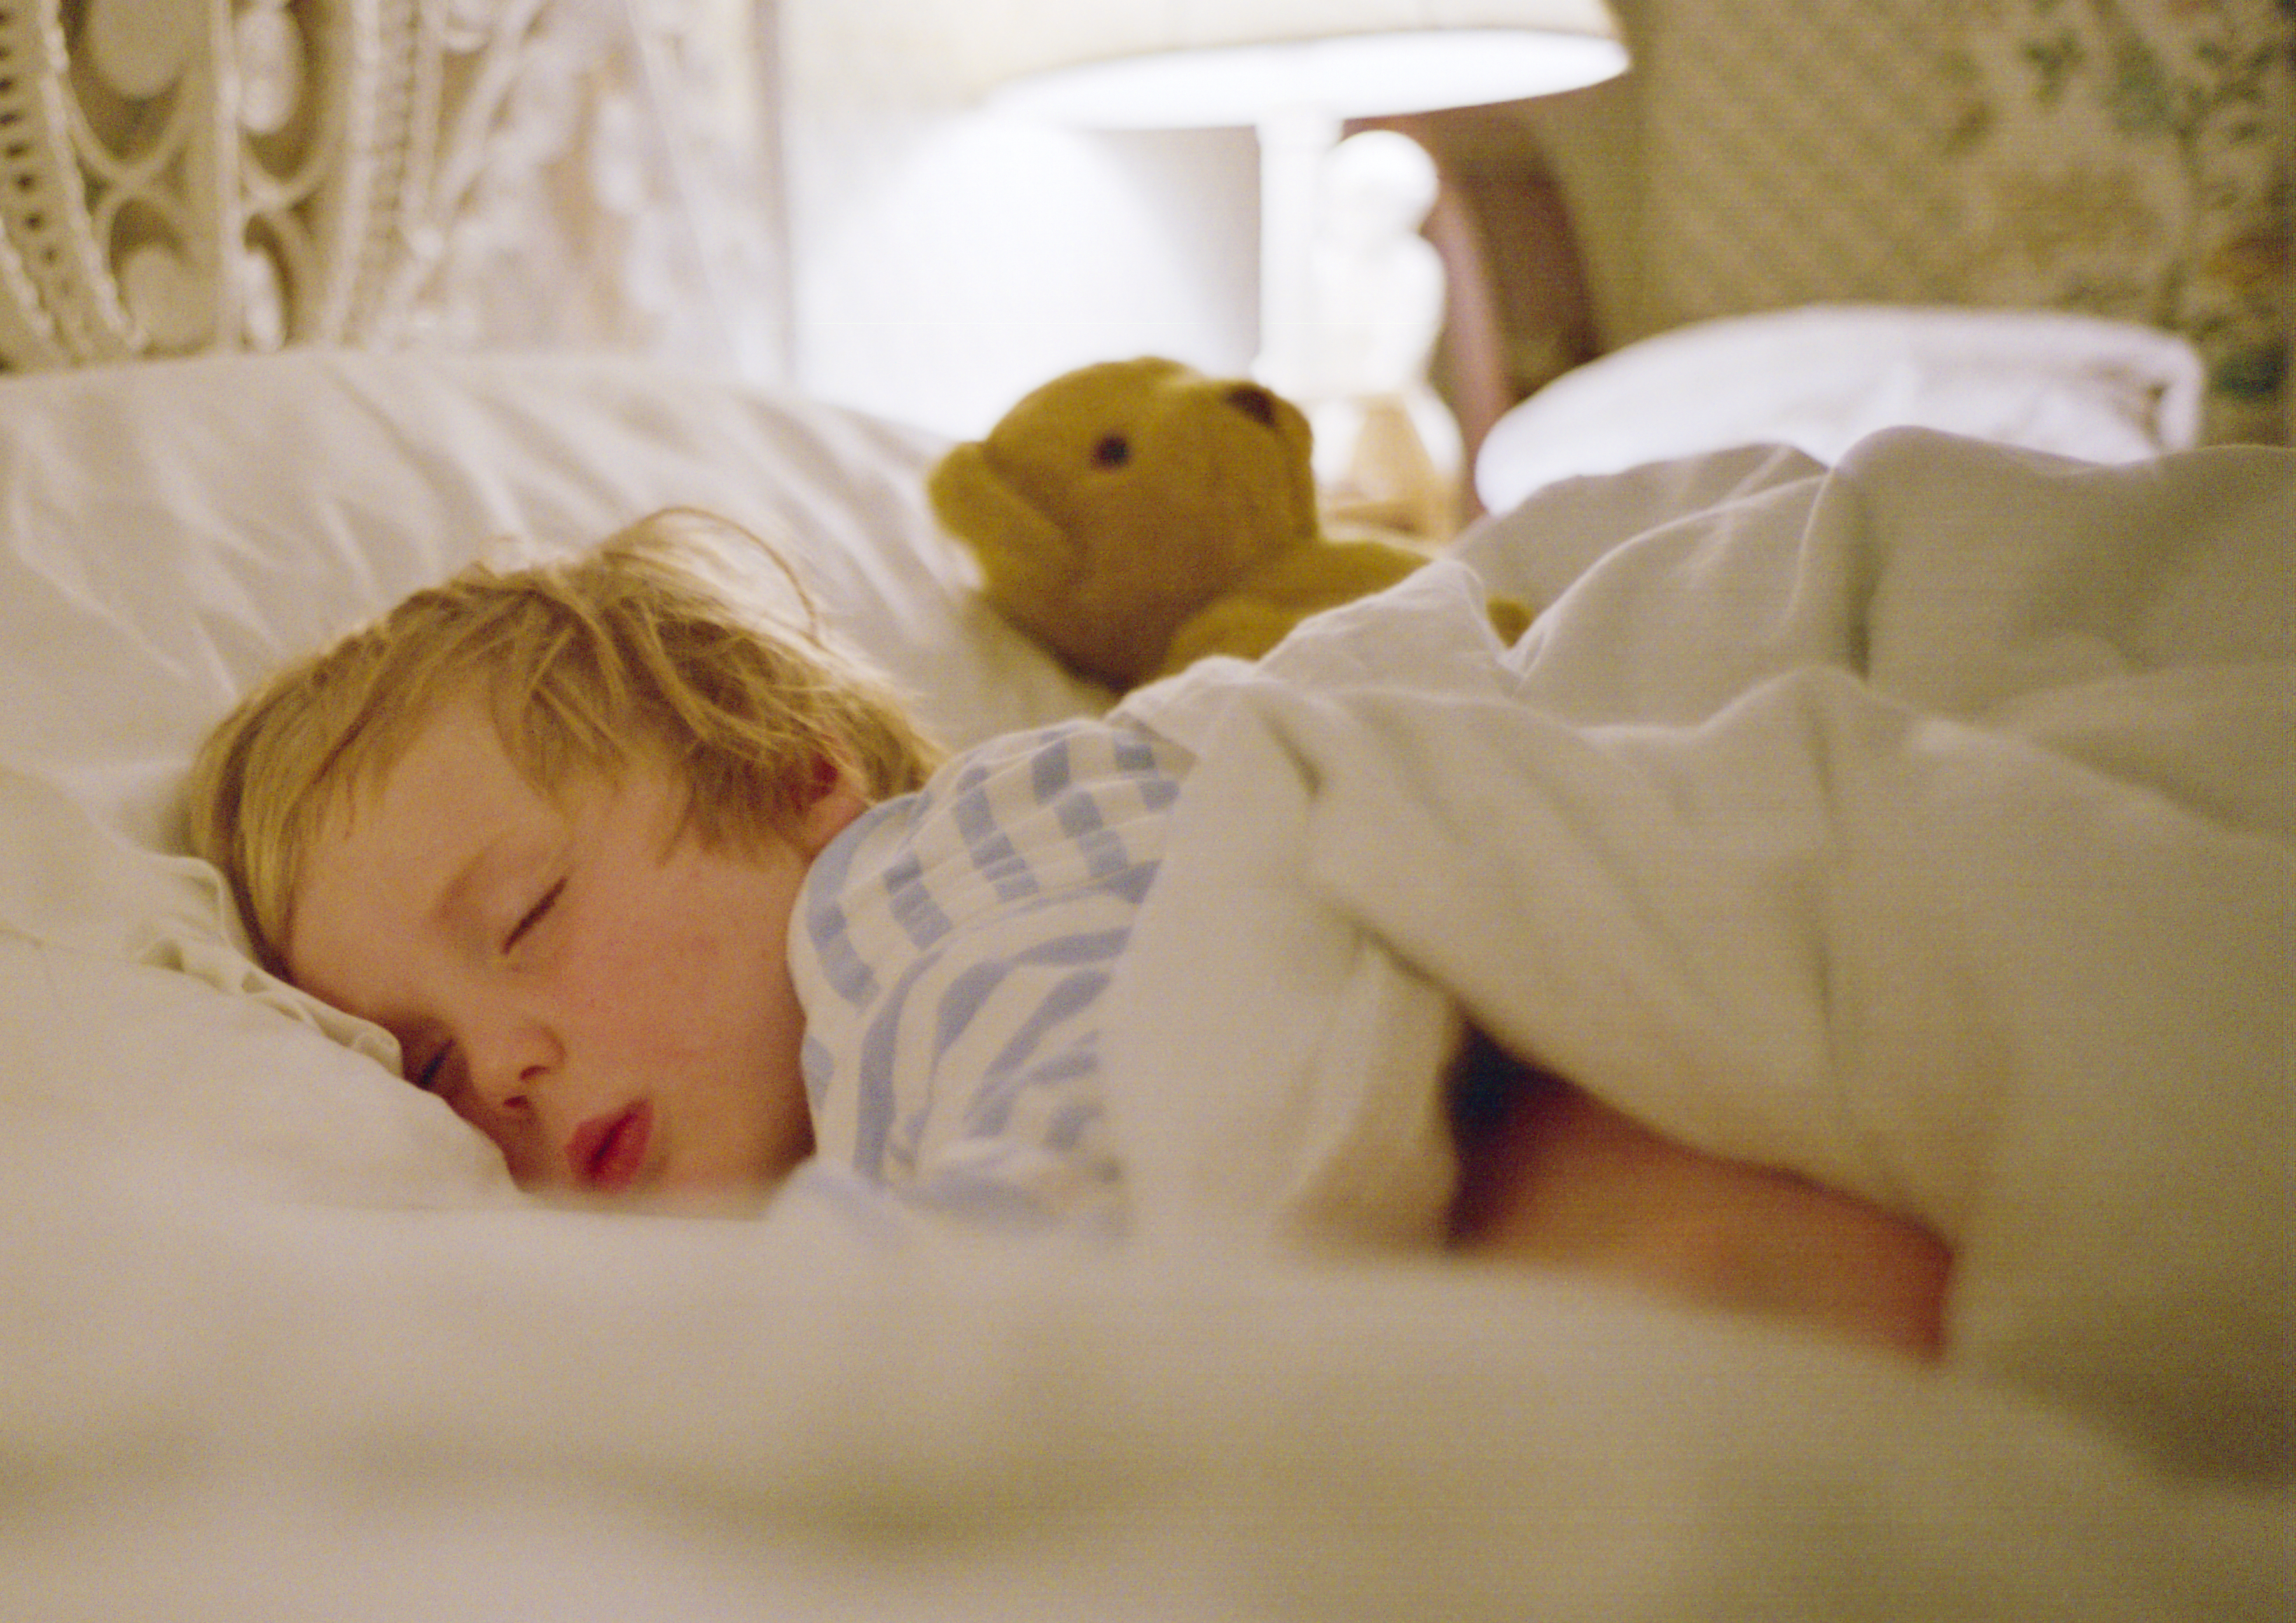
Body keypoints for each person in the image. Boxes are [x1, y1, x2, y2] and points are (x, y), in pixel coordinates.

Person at [188, 511, 1951, 1358]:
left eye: (527, 913)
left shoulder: (921, 874)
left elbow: (1105, 1139)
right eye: (421, 1061)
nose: (496, 1068)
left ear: (796, 782)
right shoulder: (846, 1084)